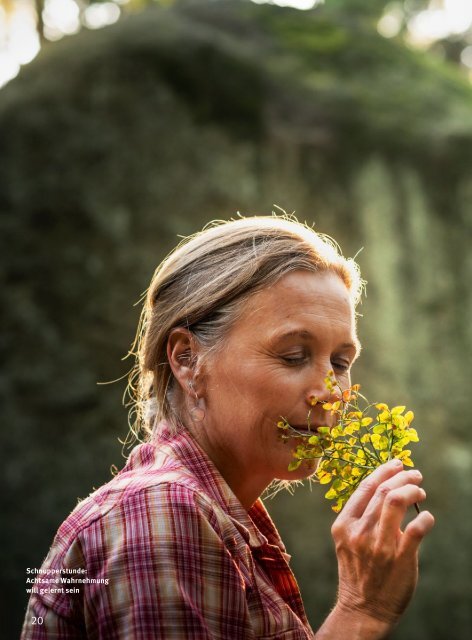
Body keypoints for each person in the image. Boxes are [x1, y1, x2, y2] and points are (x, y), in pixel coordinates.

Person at [21, 216, 434, 639]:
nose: (331, 393)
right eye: (293, 355)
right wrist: (362, 611)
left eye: (341, 363)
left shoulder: (216, 520)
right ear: (187, 360)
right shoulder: (159, 511)